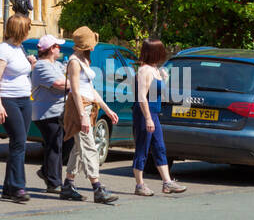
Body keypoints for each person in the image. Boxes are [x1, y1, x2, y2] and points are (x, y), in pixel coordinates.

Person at [61, 26, 120, 204]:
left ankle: (68, 185)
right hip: (79, 108)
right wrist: (82, 116)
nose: (94, 46)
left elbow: (91, 90)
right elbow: (76, 92)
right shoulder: (74, 62)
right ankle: (97, 187)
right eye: (92, 43)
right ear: (87, 45)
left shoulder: (83, 60)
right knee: (89, 148)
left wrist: (107, 109)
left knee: (79, 148)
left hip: (87, 107)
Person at [133, 38, 187, 197]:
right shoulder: (144, 71)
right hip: (145, 113)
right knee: (142, 148)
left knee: (159, 147)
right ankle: (139, 185)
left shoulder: (155, 70)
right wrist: (148, 118)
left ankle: (167, 182)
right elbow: (142, 97)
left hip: (154, 112)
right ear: (154, 52)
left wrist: (165, 78)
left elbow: (159, 93)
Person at [0, 13, 35, 203]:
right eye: (27, 28)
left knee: (19, 143)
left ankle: (8, 188)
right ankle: (18, 187)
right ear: (20, 30)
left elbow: (20, 73)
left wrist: (31, 64)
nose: (29, 32)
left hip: (25, 99)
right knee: (18, 142)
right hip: (9, 99)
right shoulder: (3, 50)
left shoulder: (20, 48)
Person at [31, 34, 69, 193]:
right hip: (47, 113)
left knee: (67, 142)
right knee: (55, 145)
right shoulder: (41, 66)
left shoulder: (57, 65)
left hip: (59, 111)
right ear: (51, 49)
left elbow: (70, 74)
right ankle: (54, 183)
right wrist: (73, 82)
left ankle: (47, 171)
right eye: (57, 46)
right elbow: (59, 83)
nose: (59, 48)